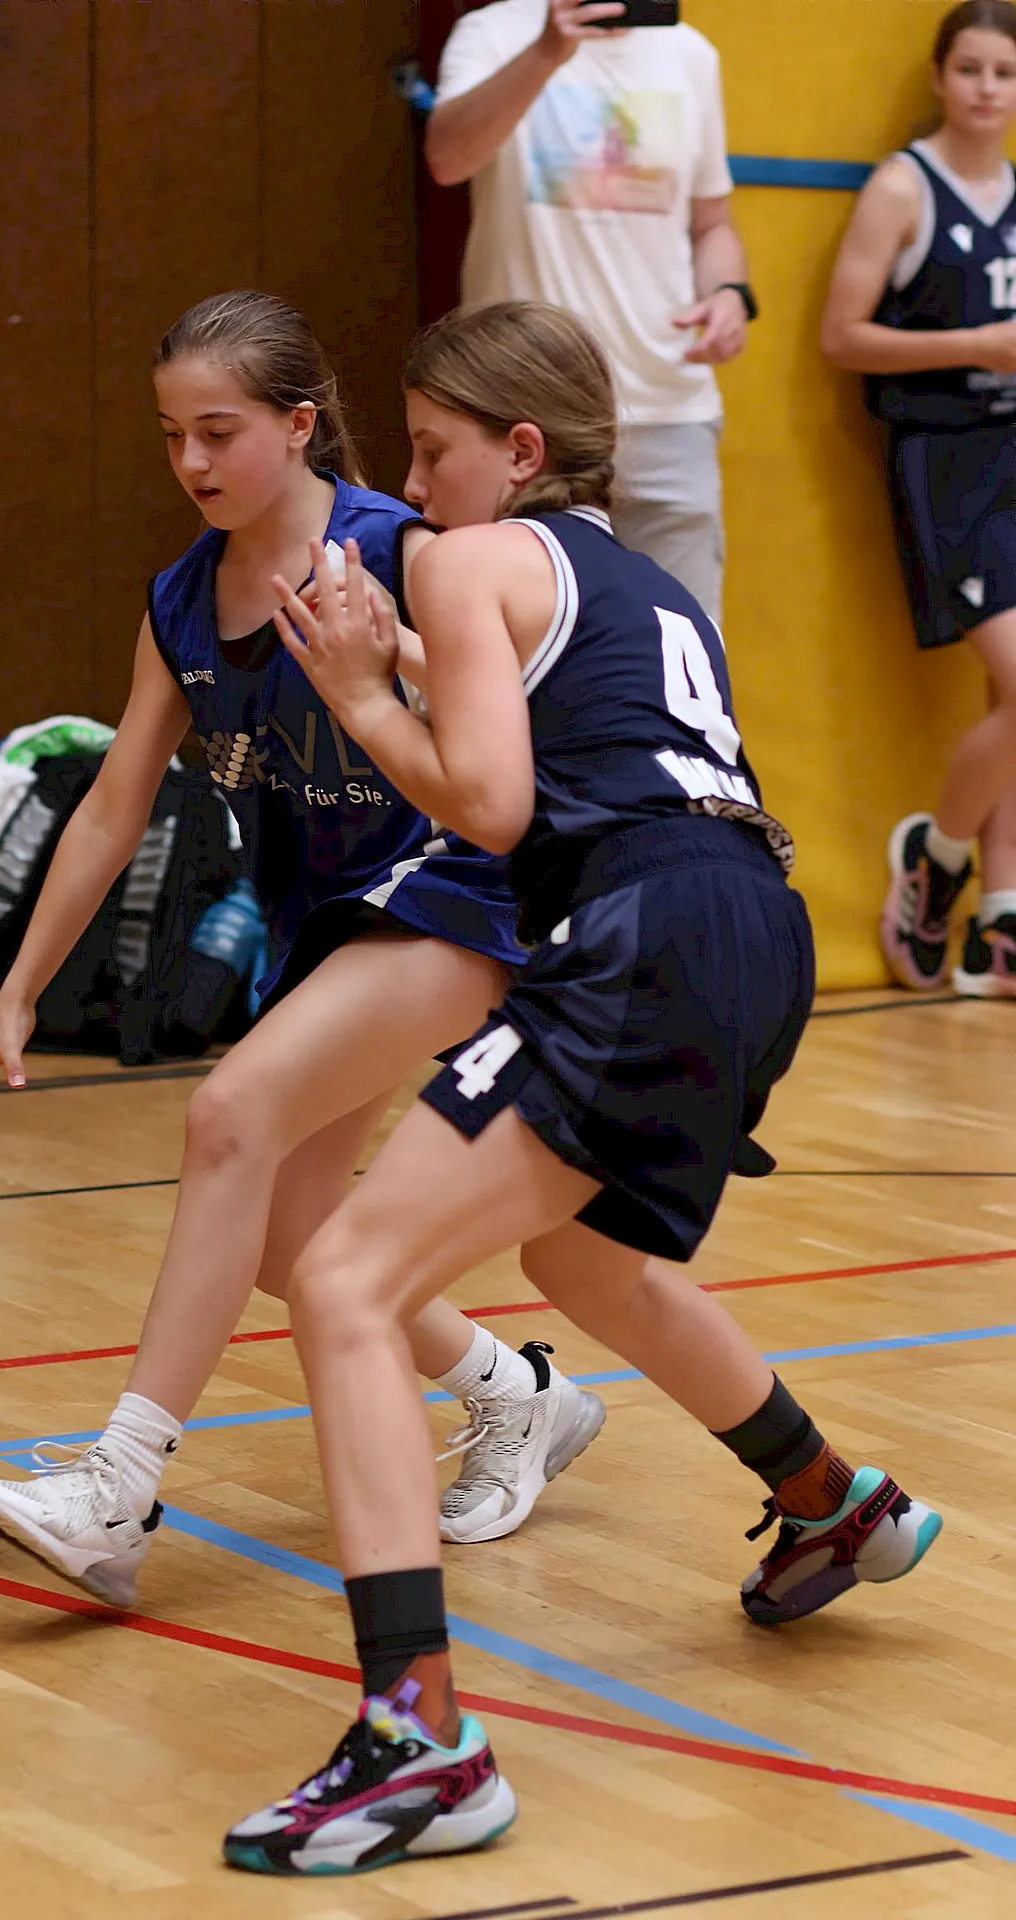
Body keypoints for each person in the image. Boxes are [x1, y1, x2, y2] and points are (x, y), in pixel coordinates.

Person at [222, 301, 942, 1877]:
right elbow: (558, 732)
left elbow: (490, 803)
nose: (413, 488)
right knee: (581, 1256)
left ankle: (418, 1740)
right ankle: (830, 1499)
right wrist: (395, 661)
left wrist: (362, 696)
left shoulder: (471, 557)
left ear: (521, 451)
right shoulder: (642, 583)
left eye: (434, 451)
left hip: (643, 929)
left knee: (342, 1279)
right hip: (755, 931)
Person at [0, 291, 605, 1606]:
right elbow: (115, 804)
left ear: (300, 426)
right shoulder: (181, 603)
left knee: (228, 1116)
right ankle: (516, 1393)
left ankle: (119, 1489)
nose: (190, 460)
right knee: (291, 1233)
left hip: (464, 891)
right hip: (332, 925)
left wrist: (400, 658)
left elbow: (526, 709)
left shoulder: (404, 549)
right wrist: (14, 994)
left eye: (219, 431)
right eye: (170, 434)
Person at [425, 0, 757, 623]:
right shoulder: (494, 32)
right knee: (514, 633)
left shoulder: (689, 53)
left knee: (683, 640)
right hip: (522, 403)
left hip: (667, 401)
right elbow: (447, 158)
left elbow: (712, 224)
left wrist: (729, 293)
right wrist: (546, 53)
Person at [822, 0, 1016, 997]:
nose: (987, 88)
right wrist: (976, 346)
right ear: (940, 76)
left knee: (1008, 702)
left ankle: (1001, 910)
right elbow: (841, 336)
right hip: (947, 459)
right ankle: (936, 863)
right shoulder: (904, 185)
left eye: (1004, 72)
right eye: (970, 68)